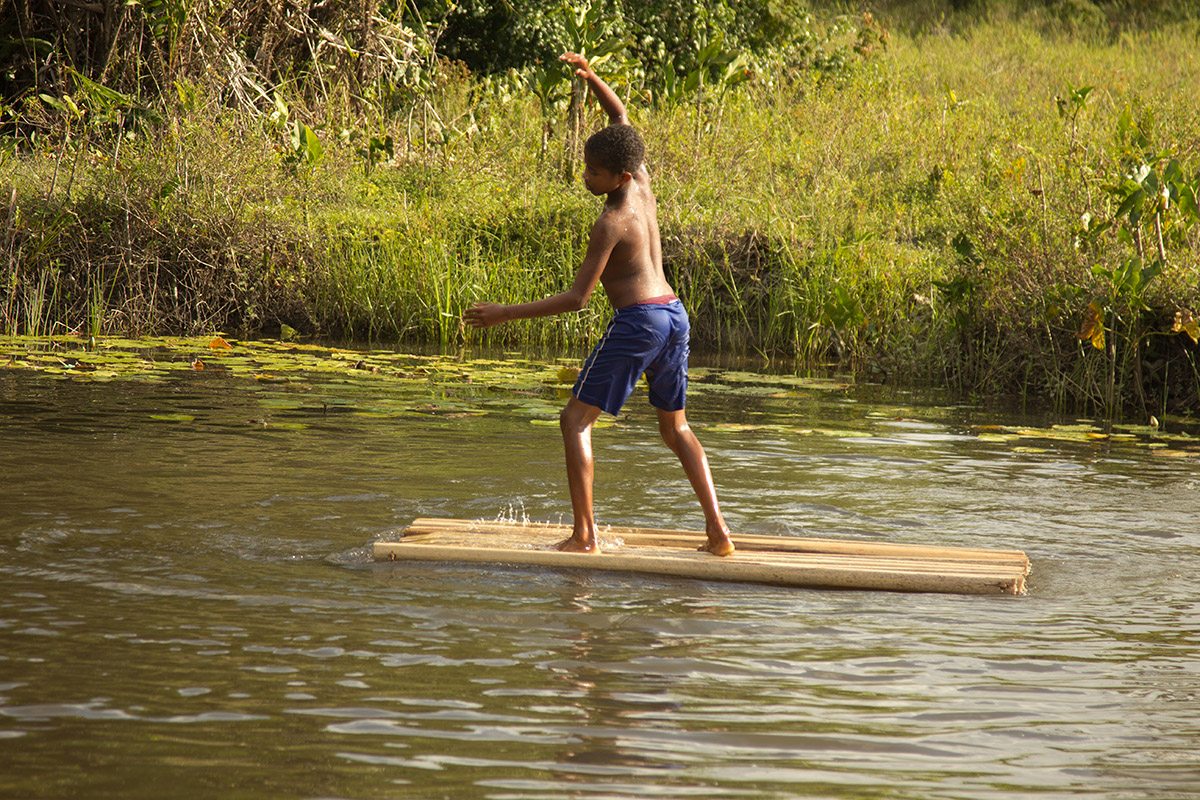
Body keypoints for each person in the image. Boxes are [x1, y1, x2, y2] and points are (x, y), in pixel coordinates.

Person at [465, 52, 734, 557]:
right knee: (676, 429)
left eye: (593, 172)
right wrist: (593, 78)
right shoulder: (643, 184)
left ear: (619, 178)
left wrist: (504, 312)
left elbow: (576, 298)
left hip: (641, 321)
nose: (585, 177)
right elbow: (621, 119)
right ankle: (718, 533)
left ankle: (584, 537)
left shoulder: (610, 222)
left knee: (574, 421)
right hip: (674, 314)